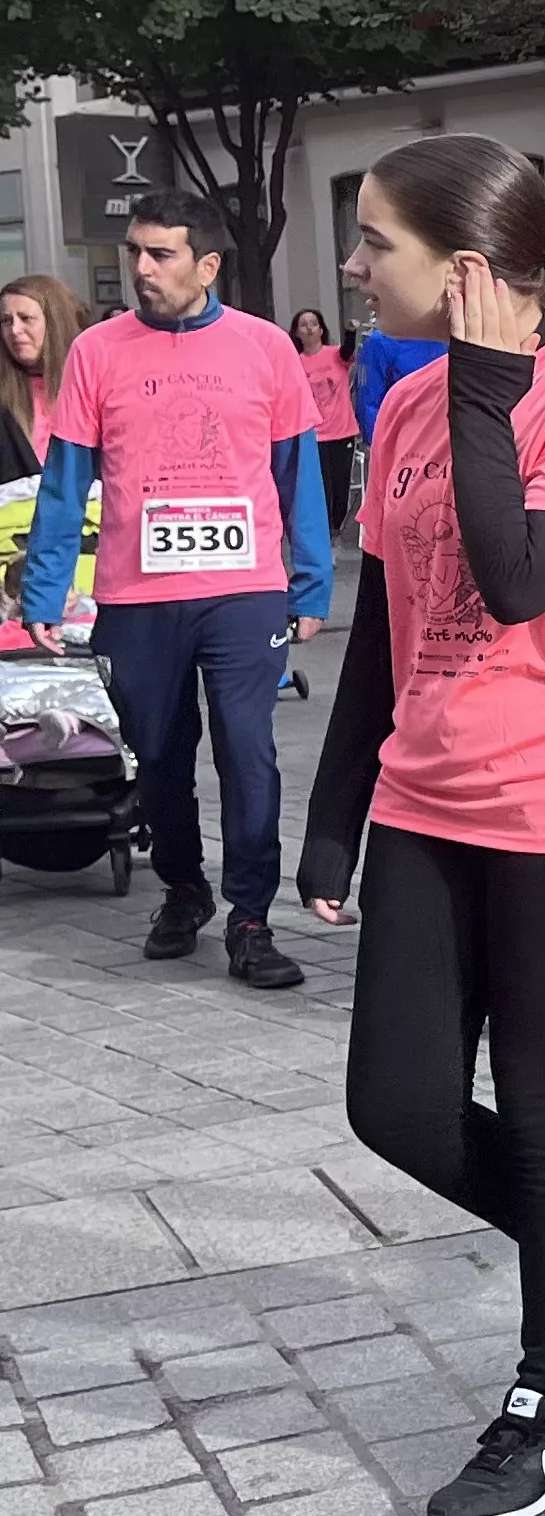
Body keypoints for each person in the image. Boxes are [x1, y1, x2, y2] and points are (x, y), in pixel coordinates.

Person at [295, 134, 545, 1516]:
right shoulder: (406, 410)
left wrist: (486, 380)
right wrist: (335, 810)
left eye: (374, 244)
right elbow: (389, 625)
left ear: (464, 273)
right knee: (394, 1104)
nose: (353, 267)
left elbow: (518, 573)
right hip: (429, 799)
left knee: (544, 1107)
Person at [6, 194, 327, 985]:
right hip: (137, 596)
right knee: (158, 758)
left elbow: (298, 472)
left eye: (161, 255)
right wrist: (44, 590)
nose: (141, 270)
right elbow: (65, 480)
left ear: (207, 264)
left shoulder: (263, 348)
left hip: (244, 589)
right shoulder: (97, 352)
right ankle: (184, 888)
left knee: (249, 752)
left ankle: (251, 919)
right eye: (135, 253)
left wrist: (311, 580)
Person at [0, 272, 87, 487]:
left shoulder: (90, 387)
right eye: (6, 321)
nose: (15, 330)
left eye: (26, 318)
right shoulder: (4, 398)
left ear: (54, 322)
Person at [290, 309, 362, 533]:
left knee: (341, 486)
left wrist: (351, 331)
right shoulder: (294, 362)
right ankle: (326, 530)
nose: (310, 327)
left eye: (314, 323)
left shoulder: (335, 355)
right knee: (322, 487)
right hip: (314, 434)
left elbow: (348, 351)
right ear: (297, 333)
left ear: (321, 330)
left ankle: (337, 526)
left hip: (342, 432)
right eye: (304, 324)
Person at [353, 323, 447, 444]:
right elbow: (369, 403)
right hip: (402, 442)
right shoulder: (380, 342)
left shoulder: (447, 338)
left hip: (443, 438)